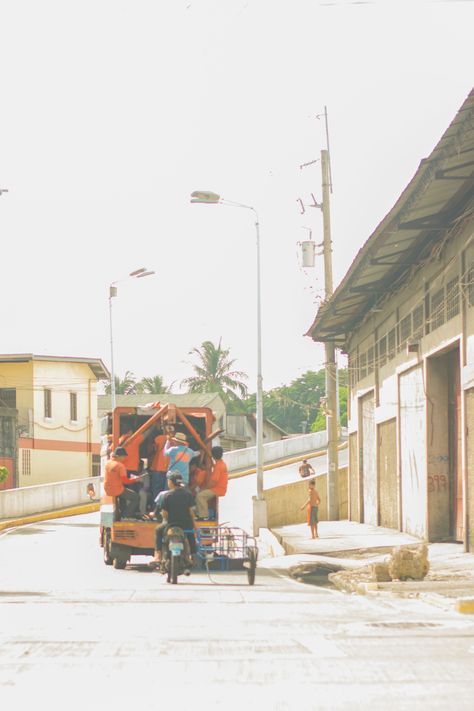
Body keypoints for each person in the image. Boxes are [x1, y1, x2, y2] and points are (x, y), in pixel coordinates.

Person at [148, 471, 197, 568]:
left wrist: (166, 521)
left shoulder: (166, 495)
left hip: (170, 524)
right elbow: (191, 512)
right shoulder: (188, 494)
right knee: (191, 534)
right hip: (185, 524)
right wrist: (194, 524)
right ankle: (193, 556)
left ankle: (158, 556)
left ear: (170, 482)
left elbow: (165, 513)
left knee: (158, 530)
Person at [103, 446, 145, 518]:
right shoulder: (120, 466)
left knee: (123, 493)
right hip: (116, 490)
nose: (124, 458)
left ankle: (121, 513)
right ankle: (126, 515)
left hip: (107, 489)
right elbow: (126, 482)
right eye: (124, 456)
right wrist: (136, 479)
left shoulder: (108, 463)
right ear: (119, 456)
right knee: (136, 497)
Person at [195, 446, 228, 521]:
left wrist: (205, 488)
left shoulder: (218, 466)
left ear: (212, 455)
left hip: (217, 489)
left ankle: (204, 516)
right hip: (219, 488)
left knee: (200, 496)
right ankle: (200, 514)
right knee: (201, 495)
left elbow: (213, 481)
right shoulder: (221, 464)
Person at [148, 429, 171, 503]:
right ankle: (165, 508)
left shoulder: (159, 438)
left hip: (158, 467)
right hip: (169, 469)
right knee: (167, 491)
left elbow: (152, 448)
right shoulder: (177, 442)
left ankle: (156, 508)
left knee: (156, 489)